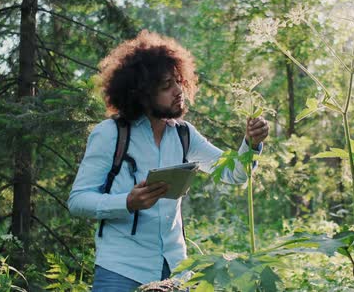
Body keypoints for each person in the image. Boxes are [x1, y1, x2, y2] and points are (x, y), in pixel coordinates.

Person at [67, 30, 269, 291]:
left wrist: (251, 144)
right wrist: (126, 202)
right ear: (141, 95)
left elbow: (235, 174)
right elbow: (78, 200)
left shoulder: (184, 134)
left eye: (177, 81)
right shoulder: (110, 133)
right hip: (120, 271)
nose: (178, 91)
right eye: (166, 86)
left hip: (174, 271)